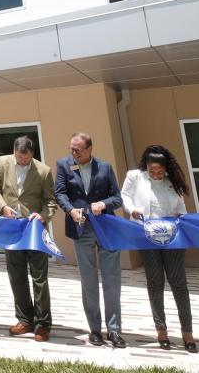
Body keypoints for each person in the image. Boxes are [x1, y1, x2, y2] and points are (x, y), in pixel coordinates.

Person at [121, 145, 197, 353]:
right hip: (146, 237)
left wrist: (181, 218)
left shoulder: (173, 182)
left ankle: (187, 332)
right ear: (146, 167)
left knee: (178, 283)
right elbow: (124, 196)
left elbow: (181, 210)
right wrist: (132, 209)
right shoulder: (135, 177)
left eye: (160, 172)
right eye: (152, 171)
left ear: (166, 169)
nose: (156, 174)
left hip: (172, 238)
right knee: (155, 282)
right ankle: (161, 330)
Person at [54, 132, 125, 348]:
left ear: (89, 149)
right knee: (88, 280)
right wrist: (70, 210)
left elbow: (117, 198)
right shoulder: (64, 165)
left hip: (106, 229)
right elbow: (60, 193)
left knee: (111, 280)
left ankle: (114, 330)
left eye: (78, 150)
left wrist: (103, 204)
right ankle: (95, 329)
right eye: (71, 149)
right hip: (81, 228)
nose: (73, 153)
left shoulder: (105, 167)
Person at [0, 136, 57, 342]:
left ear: (32, 154)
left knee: (39, 278)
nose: (23, 162)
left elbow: (51, 201)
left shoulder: (43, 171)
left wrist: (43, 215)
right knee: (16, 276)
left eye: (27, 160)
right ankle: (25, 319)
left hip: (34, 230)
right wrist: (2, 207)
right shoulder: (1, 163)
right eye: (20, 158)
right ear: (14, 151)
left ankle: (43, 323)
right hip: (12, 229)